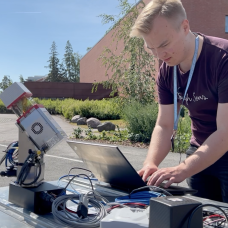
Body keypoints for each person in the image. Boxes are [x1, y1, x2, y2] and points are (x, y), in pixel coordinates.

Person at [130, 0, 228, 202]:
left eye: (164, 44)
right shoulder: (166, 72)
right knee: (204, 217)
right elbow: (164, 125)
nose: (159, 55)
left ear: (185, 27)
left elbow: (225, 131)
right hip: (200, 151)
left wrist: (181, 170)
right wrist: (151, 163)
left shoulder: (223, 59)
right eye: (151, 48)